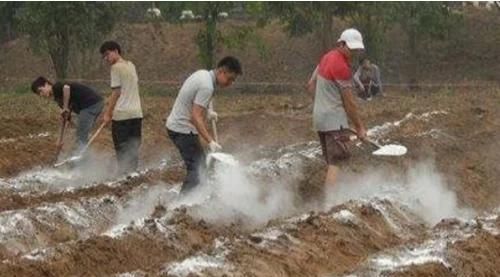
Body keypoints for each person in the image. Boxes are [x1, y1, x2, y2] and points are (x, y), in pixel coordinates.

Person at [166, 56, 242, 194]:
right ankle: (182, 205)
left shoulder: (203, 75)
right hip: (182, 129)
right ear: (222, 72)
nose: (230, 83)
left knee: (199, 166)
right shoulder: (207, 86)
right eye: (230, 79)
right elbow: (195, 117)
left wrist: (207, 112)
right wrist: (210, 141)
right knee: (198, 169)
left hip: (178, 125)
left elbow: (194, 103)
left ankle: (193, 199)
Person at [307, 28, 367, 192]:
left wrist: (321, 105)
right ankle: (330, 203)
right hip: (335, 121)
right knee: (337, 161)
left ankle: (338, 194)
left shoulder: (325, 58)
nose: (353, 53)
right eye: (350, 48)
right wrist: (360, 127)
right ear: (340, 44)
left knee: (332, 161)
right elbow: (349, 103)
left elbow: (310, 85)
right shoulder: (342, 67)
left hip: (319, 119)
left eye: (356, 50)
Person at [99, 41, 143, 175]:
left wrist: (108, 113)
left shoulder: (115, 68)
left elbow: (116, 92)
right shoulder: (131, 65)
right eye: (104, 57)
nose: (106, 59)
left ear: (116, 51)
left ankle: (124, 175)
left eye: (107, 54)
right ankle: (133, 175)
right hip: (137, 114)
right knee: (133, 147)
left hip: (122, 116)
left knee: (122, 148)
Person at [31, 76, 104, 153]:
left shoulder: (56, 87)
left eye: (41, 91)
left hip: (92, 104)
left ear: (46, 84)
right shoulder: (58, 99)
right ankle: (81, 152)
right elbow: (65, 118)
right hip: (87, 107)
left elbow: (66, 87)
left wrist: (65, 107)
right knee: (79, 130)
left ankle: (81, 157)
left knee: (81, 133)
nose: (42, 94)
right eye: (39, 94)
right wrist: (60, 139)